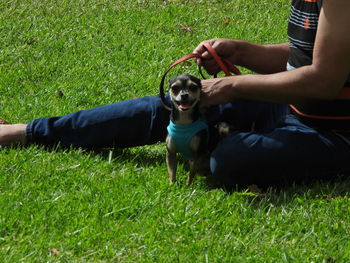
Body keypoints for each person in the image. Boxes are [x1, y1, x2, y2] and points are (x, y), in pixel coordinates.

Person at [1, 0, 350, 187]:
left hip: (334, 135)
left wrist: (230, 86)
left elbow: (324, 80)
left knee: (229, 161)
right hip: (286, 107)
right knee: (171, 109)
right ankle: (28, 131)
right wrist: (242, 51)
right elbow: (306, 54)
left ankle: (228, 137)